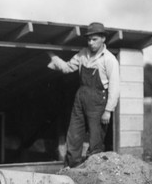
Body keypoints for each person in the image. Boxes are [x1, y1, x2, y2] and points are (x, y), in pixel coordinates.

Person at [46, 22, 120, 167]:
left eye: (95, 39)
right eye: (89, 40)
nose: (91, 43)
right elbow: (67, 68)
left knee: (95, 139)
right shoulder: (83, 54)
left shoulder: (109, 59)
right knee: (74, 135)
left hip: (99, 100)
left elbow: (114, 87)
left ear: (103, 39)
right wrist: (53, 56)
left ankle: (93, 173)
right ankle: (71, 169)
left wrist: (108, 110)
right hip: (81, 97)